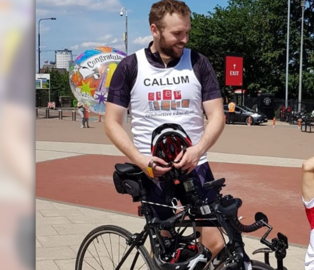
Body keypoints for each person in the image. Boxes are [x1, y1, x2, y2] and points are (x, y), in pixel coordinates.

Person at [104, 0, 225, 262]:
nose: (184, 39)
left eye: (187, 32)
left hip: (196, 166)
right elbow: (112, 122)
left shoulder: (198, 62)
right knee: (164, 250)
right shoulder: (130, 66)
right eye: (177, 33)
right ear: (155, 30)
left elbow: (217, 115)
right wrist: (140, 160)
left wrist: (198, 150)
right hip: (153, 172)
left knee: (215, 245)